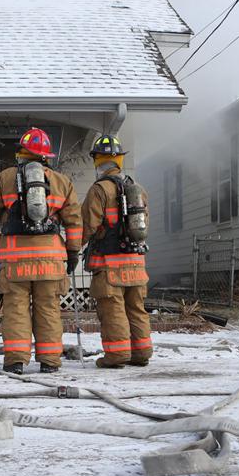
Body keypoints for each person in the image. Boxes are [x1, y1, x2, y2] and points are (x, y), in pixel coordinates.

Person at [0, 128, 82, 374]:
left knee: (15, 309)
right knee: (48, 309)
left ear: (20, 153)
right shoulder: (61, 182)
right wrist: (73, 252)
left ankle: (15, 361)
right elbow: (74, 222)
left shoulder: (3, 179)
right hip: (51, 261)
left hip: (15, 263)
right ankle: (49, 362)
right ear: (47, 156)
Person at [82, 134, 151, 368]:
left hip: (110, 264)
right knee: (136, 308)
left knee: (113, 309)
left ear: (98, 161)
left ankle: (117, 355)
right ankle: (141, 353)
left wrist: (73, 247)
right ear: (119, 160)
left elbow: (88, 226)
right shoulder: (137, 189)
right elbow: (144, 226)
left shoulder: (99, 190)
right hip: (136, 262)